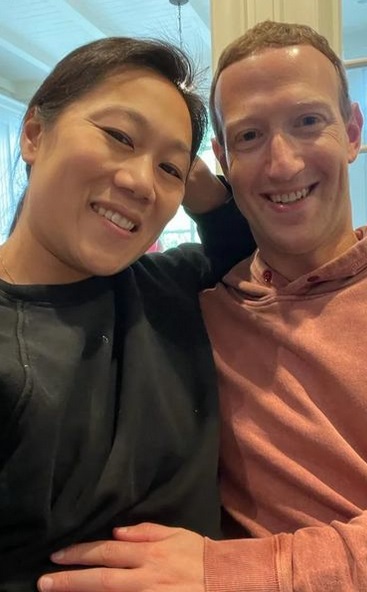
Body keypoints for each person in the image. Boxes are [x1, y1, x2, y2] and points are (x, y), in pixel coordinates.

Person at [37, 20, 367, 592]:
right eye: (249, 136)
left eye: (308, 122)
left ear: (351, 131)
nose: (282, 164)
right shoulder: (191, 312)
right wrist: (185, 178)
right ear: (222, 158)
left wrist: (247, 571)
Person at [0, 35, 256, 591]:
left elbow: (257, 251)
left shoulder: (172, 286)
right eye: (119, 136)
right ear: (34, 133)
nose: (140, 182)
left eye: (169, 168)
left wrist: (203, 189)